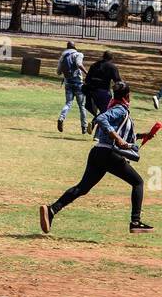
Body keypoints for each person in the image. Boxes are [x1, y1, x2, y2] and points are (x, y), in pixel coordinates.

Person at [40, 82, 153, 235]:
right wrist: (117, 138)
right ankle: (135, 221)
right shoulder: (119, 109)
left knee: (82, 188)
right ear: (127, 96)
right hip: (109, 154)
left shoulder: (117, 108)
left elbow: (123, 133)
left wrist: (142, 136)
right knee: (138, 182)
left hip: (98, 152)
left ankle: (51, 209)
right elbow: (101, 119)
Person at [56, 42, 88, 134]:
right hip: (78, 84)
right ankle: (84, 127)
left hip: (68, 84)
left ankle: (61, 118)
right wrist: (87, 73)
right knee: (82, 106)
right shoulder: (78, 54)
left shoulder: (63, 56)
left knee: (68, 103)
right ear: (75, 47)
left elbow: (58, 72)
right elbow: (79, 64)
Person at [82, 51, 122, 122]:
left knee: (104, 111)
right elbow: (118, 81)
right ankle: (94, 122)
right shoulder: (112, 67)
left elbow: (87, 80)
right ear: (112, 58)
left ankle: (96, 124)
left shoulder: (94, 65)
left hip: (91, 93)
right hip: (104, 92)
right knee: (107, 111)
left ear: (103, 57)